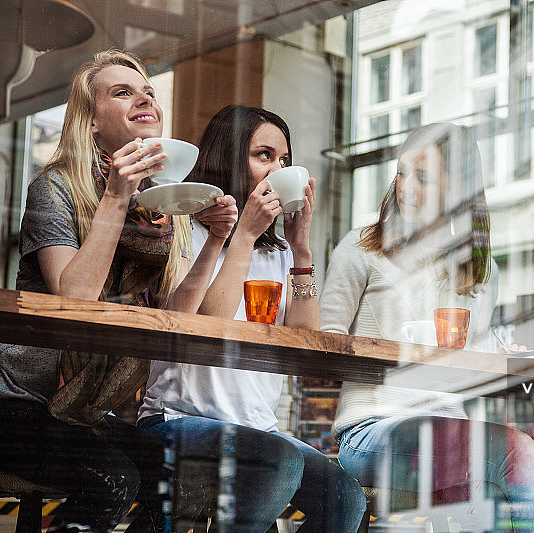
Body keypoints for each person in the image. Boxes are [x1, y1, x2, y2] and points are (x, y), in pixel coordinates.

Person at [0, 49, 238, 533]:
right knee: (113, 479)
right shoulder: (56, 188)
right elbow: (75, 301)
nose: (145, 99)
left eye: (149, 91)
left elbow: (183, 315)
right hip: (2, 405)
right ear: (91, 123)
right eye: (122, 92)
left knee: (186, 486)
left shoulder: (165, 210)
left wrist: (216, 240)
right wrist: (116, 194)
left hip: (83, 415)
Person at [320, 123, 534, 532]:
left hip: (450, 431)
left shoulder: (480, 272)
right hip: (370, 430)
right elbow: (326, 344)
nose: (406, 188)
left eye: (424, 177)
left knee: (502, 483)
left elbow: (473, 370)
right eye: (401, 173)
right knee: (517, 456)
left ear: (459, 189)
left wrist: (499, 358)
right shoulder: (362, 248)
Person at [138, 104, 366, 532]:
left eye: (283, 160)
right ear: (229, 158)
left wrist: (301, 252)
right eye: (264, 155)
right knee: (276, 462)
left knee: (345, 498)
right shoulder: (185, 230)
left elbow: (303, 339)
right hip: (179, 419)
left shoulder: (278, 253)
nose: (277, 169)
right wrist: (242, 232)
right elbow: (209, 321)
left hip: (259, 429)